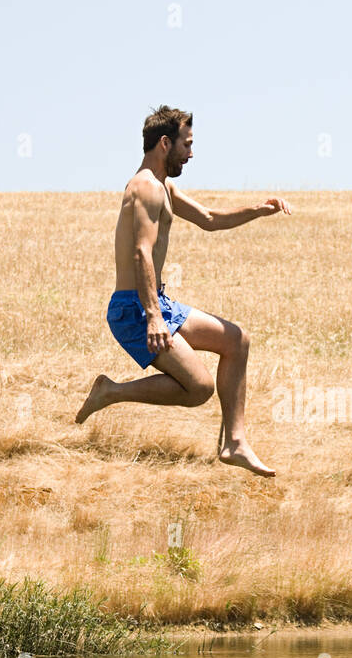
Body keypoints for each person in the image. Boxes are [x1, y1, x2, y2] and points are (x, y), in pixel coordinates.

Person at [76, 105, 289, 478]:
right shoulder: (145, 188)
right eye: (186, 145)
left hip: (155, 301)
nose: (191, 154)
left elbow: (208, 220)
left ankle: (234, 443)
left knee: (237, 341)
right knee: (199, 388)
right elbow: (141, 251)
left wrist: (259, 209)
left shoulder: (164, 186)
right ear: (164, 143)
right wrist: (154, 316)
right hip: (136, 309)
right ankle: (110, 391)